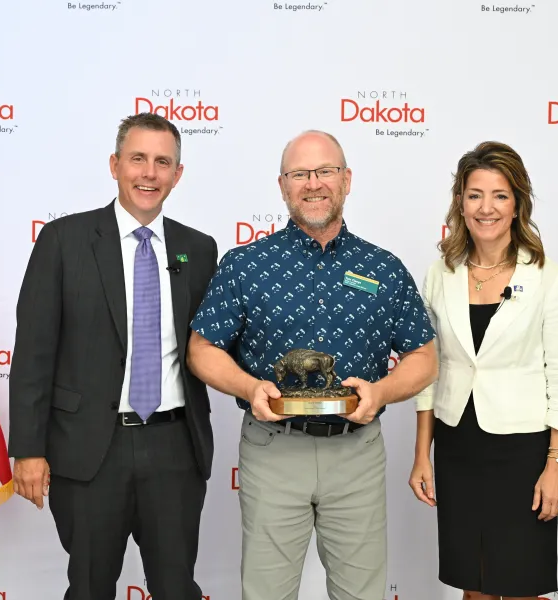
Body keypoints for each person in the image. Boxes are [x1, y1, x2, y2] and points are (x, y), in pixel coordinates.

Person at [187, 130, 437, 600]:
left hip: (357, 453)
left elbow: (424, 357)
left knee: (362, 594)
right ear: (283, 186)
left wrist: (382, 392)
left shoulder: (383, 268)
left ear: (347, 180)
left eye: (325, 171)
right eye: (300, 173)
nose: (313, 183)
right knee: (266, 593)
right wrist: (248, 387)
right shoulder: (245, 264)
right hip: (273, 450)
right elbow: (202, 349)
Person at [8, 113, 217, 600]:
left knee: (176, 589)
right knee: (88, 588)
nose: (149, 173)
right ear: (114, 164)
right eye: (138, 159)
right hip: (88, 452)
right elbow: (34, 353)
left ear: (177, 174)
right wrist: (29, 448)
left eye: (162, 162)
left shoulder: (199, 249)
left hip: (174, 449)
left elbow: (214, 344)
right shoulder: (64, 241)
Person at [409, 141, 558, 600]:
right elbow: (427, 370)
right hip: (457, 446)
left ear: (518, 204)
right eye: (475, 195)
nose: (486, 207)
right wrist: (422, 454)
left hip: (523, 452)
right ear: (460, 203)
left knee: (524, 586)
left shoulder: (550, 278)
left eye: (500, 195)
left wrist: (557, 465)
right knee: (474, 587)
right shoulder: (440, 273)